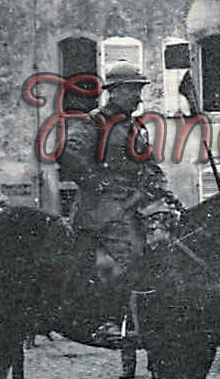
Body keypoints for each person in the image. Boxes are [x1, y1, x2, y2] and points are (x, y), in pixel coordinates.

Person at [58, 60, 181, 345]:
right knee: (132, 256)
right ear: (114, 92)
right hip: (102, 209)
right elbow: (69, 153)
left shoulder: (134, 127)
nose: (138, 96)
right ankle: (109, 320)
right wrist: (97, 182)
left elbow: (149, 166)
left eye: (139, 90)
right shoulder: (94, 122)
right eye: (133, 90)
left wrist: (165, 192)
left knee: (164, 246)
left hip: (132, 204)